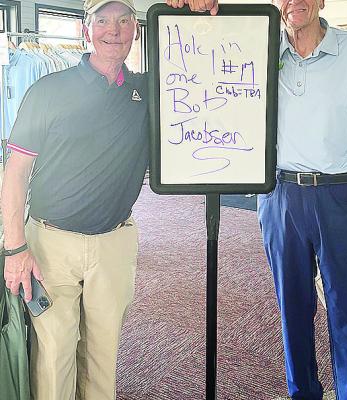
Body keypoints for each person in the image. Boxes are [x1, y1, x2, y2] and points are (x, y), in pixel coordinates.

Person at [1, 0, 217, 399]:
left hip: (114, 242)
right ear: (87, 30)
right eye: (102, 21)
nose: (113, 30)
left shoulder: (148, 91)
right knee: (53, 356)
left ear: (136, 31)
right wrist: (15, 247)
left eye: (123, 21)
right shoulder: (48, 89)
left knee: (104, 356)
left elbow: (201, 65)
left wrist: (194, 11)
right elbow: (15, 172)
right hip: (52, 245)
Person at [255, 0, 347, 399]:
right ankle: (302, 393)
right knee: (293, 312)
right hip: (280, 198)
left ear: (322, 1)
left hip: (345, 197)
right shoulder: (261, 52)